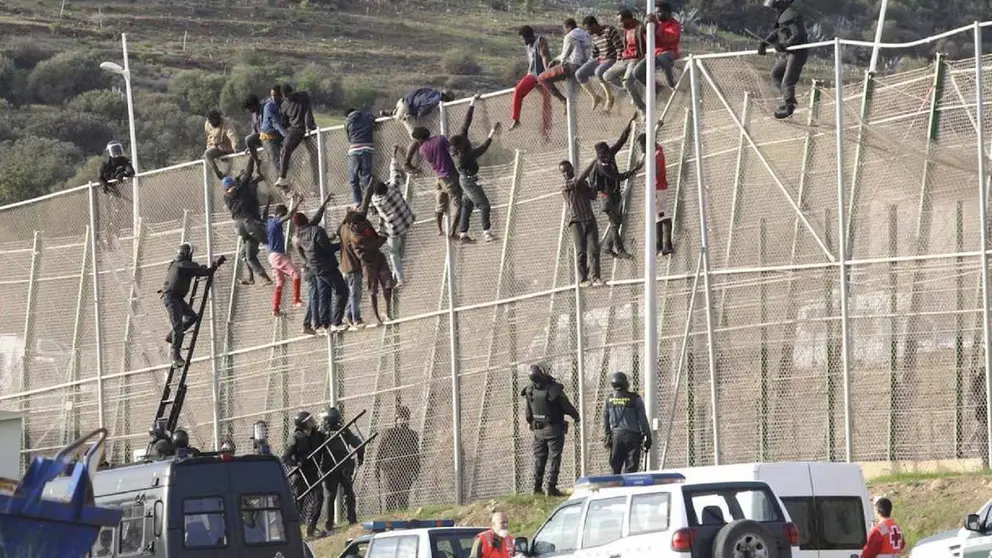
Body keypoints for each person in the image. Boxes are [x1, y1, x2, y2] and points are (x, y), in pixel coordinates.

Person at [159, 243, 223, 367]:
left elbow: (195, 271)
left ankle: (171, 337)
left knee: (192, 317)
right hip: (172, 298)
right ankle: (175, 356)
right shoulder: (184, 265)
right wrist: (215, 266)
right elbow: (205, 272)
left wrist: (202, 269)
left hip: (176, 298)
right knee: (178, 326)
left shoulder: (176, 264)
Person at [521, 364, 580, 497]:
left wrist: (531, 423)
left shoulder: (530, 390)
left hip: (538, 431)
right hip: (554, 429)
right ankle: (551, 488)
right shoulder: (554, 389)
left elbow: (528, 413)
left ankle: (536, 487)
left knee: (539, 458)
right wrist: (576, 416)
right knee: (554, 458)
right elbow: (566, 406)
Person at [449, 94, 501, 244]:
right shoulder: (463, 157)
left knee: (467, 204)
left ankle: (463, 234)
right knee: (484, 205)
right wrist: (492, 133)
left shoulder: (461, 142)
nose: (466, 142)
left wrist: (472, 102)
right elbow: (482, 149)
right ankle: (487, 232)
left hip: (465, 180)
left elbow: (466, 122)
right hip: (469, 182)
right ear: (459, 147)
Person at [360, 147, 416, 287]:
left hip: (394, 230)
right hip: (407, 220)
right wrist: (393, 154)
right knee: (404, 200)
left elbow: (369, 197)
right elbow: (394, 172)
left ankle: (400, 278)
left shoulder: (376, 200)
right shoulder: (393, 187)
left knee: (393, 253)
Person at [592, 115, 645, 260]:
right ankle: (620, 250)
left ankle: (608, 247)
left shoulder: (609, 155)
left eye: (609, 153)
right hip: (607, 198)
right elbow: (618, 177)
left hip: (614, 194)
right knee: (615, 223)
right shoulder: (602, 167)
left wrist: (629, 124)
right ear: (601, 157)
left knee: (617, 222)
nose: (609, 156)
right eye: (606, 155)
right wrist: (635, 169)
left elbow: (621, 141)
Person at [293, 195, 348, 334]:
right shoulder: (317, 231)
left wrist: (324, 204)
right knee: (342, 291)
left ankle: (325, 324)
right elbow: (328, 248)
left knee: (324, 294)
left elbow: (316, 218)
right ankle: (336, 322)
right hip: (327, 267)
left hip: (315, 269)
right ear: (306, 220)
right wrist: (342, 245)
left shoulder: (298, 236)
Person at [222, 158, 273, 286]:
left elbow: (247, 178)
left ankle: (262, 277)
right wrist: (251, 155)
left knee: (246, 254)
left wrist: (239, 176)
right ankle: (281, 265)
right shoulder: (241, 188)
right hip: (249, 222)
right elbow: (249, 172)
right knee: (270, 242)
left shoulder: (226, 197)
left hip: (238, 227)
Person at [405, 126, 463, 239]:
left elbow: (432, 162)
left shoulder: (422, 150)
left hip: (439, 177)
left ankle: (440, 229)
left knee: (440, 204)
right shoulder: (440, 139)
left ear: (419, 139)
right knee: (459, 204)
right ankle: (452, 232)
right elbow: (451, 150)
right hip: (450, 175)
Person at [757, 0, 808, 119]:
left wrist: (784, 44)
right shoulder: (784, 17)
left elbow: (798, 35)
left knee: (787, 81)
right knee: (775, 73)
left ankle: (790, 107)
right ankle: (787, 100)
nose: (775, 11)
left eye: (775, 8)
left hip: (797, 53)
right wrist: (764, 43)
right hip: (788, 53)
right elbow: (778, 32)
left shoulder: (791, 16)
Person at [319, 407, 365, 530]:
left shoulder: (322, 433)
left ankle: (329, 524)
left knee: (330, 495)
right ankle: (352, 519)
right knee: (349, 493)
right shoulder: (344, 430)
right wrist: (360, 458)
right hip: (345, 465)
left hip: (329, 467)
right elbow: (360, 445)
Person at [281, 411, 325, 538]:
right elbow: (285, 458)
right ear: (302, 424)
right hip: (300, 475)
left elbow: (324, 438)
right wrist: (296, 464)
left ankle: (311, 528)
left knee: (319, 497)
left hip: (312, 472)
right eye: (308, 421)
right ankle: (292, 532)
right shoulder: (295, 437)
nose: (311, 423)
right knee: (298, 503)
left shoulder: (317, 435)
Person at [559, 158, 602, 287]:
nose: (566, 174)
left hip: (589, 218)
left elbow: (592, 196)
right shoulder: (565, 187)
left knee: (594, 248)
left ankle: (596, 277)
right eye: (563, 172)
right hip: (576, 222)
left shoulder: (582, 183)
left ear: (572, 169)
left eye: (567, 170)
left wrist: (595, 182)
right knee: (581, 251)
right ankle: (583, 279)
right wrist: (594, 162)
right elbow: (579, 180)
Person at [351, 206, 396, 325]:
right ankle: (377, 317)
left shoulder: (365, 224)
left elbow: (375, 238)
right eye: (362, 224)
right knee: (373, 291)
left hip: (379, 258)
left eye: (365, 223)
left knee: (388, 285)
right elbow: (374, 245)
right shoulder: (356, 238)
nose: (365, 225)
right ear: (356, 225)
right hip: (368, 264)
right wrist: (386, 235)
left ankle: (387, 312)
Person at [537, 18, 594, 109]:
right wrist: (556, 59)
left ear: (568, 27)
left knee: (541, 78)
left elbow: (564, 56)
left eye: (564, 29)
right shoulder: (586, 34)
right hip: (586, 65)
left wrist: (556, 63)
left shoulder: (570, 36)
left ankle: (563, 100)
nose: (564, 32)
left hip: (573, 65)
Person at [602, 371, 652, 474]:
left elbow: (605, 419)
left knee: (615, 468)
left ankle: (615, 487)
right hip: (632, 437)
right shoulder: (635, 399)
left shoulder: (609, 400)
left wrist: (607, 435)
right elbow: (643, 420)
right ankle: (629, 489)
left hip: (616, 437)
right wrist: (648, 436)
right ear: (625, 383)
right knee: (631, 469)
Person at [263, 194, 304, 315]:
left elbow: (264, 214)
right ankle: (296, 300)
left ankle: (275, 308)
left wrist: (268, 202)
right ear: (280, 214)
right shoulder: (276, 222)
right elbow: (290, 215)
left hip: (271, 257)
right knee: (295, 273)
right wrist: (298, 202)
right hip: (277, 256)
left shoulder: (266, 222)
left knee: (280, 282)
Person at [374, 405, 421, 511]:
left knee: (403, 497)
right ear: (396, 419)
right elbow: (380, 451)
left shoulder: (412, 435)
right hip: (390, 469)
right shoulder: (389, 433)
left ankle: (403, 519)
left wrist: (416, 469)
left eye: (406, 418)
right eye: (401, 417)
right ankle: (390, 519)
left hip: (406, 469)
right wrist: (376, 468)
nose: (403, 420)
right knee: (390, 496)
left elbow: (416, 453)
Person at [509, 25, 552, 135]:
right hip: (532, 75)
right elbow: (531, 62)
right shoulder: (528, 46)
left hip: (542, 74)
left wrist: (547, 72)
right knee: (518, 91)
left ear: (527, 37)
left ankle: (546, 129)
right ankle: (516, 119)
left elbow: (544, 56)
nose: (522, 41)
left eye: (522, 38)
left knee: (546, 102)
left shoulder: (540, 41)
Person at [603, 9, 647, 113]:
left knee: (627, 82)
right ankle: (632, 90)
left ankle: (642, 109)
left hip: (636, 58)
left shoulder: (640, 27)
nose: (619, 24)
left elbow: (647, 42)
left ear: (629, 19)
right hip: (626, 58)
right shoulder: (627, 29)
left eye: (621, 21)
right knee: (607, 76)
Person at [577, 16, 624, 112]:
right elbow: (594, 53)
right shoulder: (594, 36)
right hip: (600, 59)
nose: (588, 32)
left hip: (612, 58)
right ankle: (595, 97)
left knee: (598, 71)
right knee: (579, 73)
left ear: (594, 25)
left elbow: (619, 46)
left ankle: (609, 98)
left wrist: (619, 60)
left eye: (588, 29)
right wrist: (588, 64)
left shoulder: (609, 30)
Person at [276, 84, 318, 191]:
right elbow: (284, 123)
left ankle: (317, 182)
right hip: (294, 129)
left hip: (303, 127)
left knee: (315, 154)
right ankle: (284, 177)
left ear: (292, 91)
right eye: (285, 96)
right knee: (285, 150)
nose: (287, 97)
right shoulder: (284, 105)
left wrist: (308, 126)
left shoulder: (303, 96)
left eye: (288, 95)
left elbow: (308, 110)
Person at [639, 132, 674, 255]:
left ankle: (667, 245)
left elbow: (657, 170)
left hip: (658, 188)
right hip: (655, 188)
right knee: (657, 217)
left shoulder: (658, 155)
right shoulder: (654, 154)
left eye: (642, 146)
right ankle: (658, 245)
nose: (641, 149)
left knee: (663, 215)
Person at [635, 2, 681, 90]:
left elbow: (668, 38)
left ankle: (671, 83)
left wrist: (657, 26)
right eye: (656, 13)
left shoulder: (674, 24)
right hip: (655, 54)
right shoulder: (655, 25)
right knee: (637, 72)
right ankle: (658, 89)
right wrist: (645, 29)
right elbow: (650, 41)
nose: (657, 15)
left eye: (659, 12)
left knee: (663, 57)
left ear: (668, 13)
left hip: (670, 52)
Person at [337, 210, 367, 329]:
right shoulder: (353, 234)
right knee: (355, 294)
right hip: (353, 267)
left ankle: (349, 315)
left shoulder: (342, 228)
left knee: (353, 294)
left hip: (344, 266)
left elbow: (339, 228)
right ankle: (356, 319)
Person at [385, 87, 455, 137]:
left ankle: (394, 113)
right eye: (448, 101)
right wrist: (420, 118)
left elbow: (417, 94)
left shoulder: (430, 90)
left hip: (402, 101)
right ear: (446, 98)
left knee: (418, 134)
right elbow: (422, 111)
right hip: (406, 111)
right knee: (416, 136)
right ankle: (396, 114)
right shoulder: (436, 99)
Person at [345, 108, 378, 205]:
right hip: (368, 148)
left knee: (353, 178)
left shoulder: (348, 121)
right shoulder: (367, 115)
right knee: (366, 176)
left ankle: (357, 201)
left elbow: (349, 138)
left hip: (354, 150)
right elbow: (374, 120)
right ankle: (371, 201)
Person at [204, 110, 239, 181]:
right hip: (214, 148)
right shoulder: (207, 124)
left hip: (226, 148)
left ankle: (230, 179)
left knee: (229, 175)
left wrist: (235, 147)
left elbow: (232, 135)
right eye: (210, 121)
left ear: (217, 118)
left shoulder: (226, 123)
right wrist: (209, 147)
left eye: (212, 121)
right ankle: (218, 174)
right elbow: (208, 137)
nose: (211, 123)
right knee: (207, 154)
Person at [260, 85, 287, 176]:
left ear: (281, 95)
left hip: (278, 136)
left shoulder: (283, 105)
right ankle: (282, 182)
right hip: (268, 137)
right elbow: (275, 122)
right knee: (276, 160)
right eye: (272, 95)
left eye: (276, 95)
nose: (274, 98)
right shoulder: (269, 106)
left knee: (284, 158)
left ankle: (287, 179)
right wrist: (285, 134)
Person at [242, 94, 266, 175]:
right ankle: (257, 162)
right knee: (249, 140)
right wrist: (249, 145)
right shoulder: (254, 114)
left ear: (254, 104)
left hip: (269, 135)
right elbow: (254, 130)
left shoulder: (265, 108)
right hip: (262, 137)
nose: (248, 110)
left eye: (249, 108)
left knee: (249, 139)